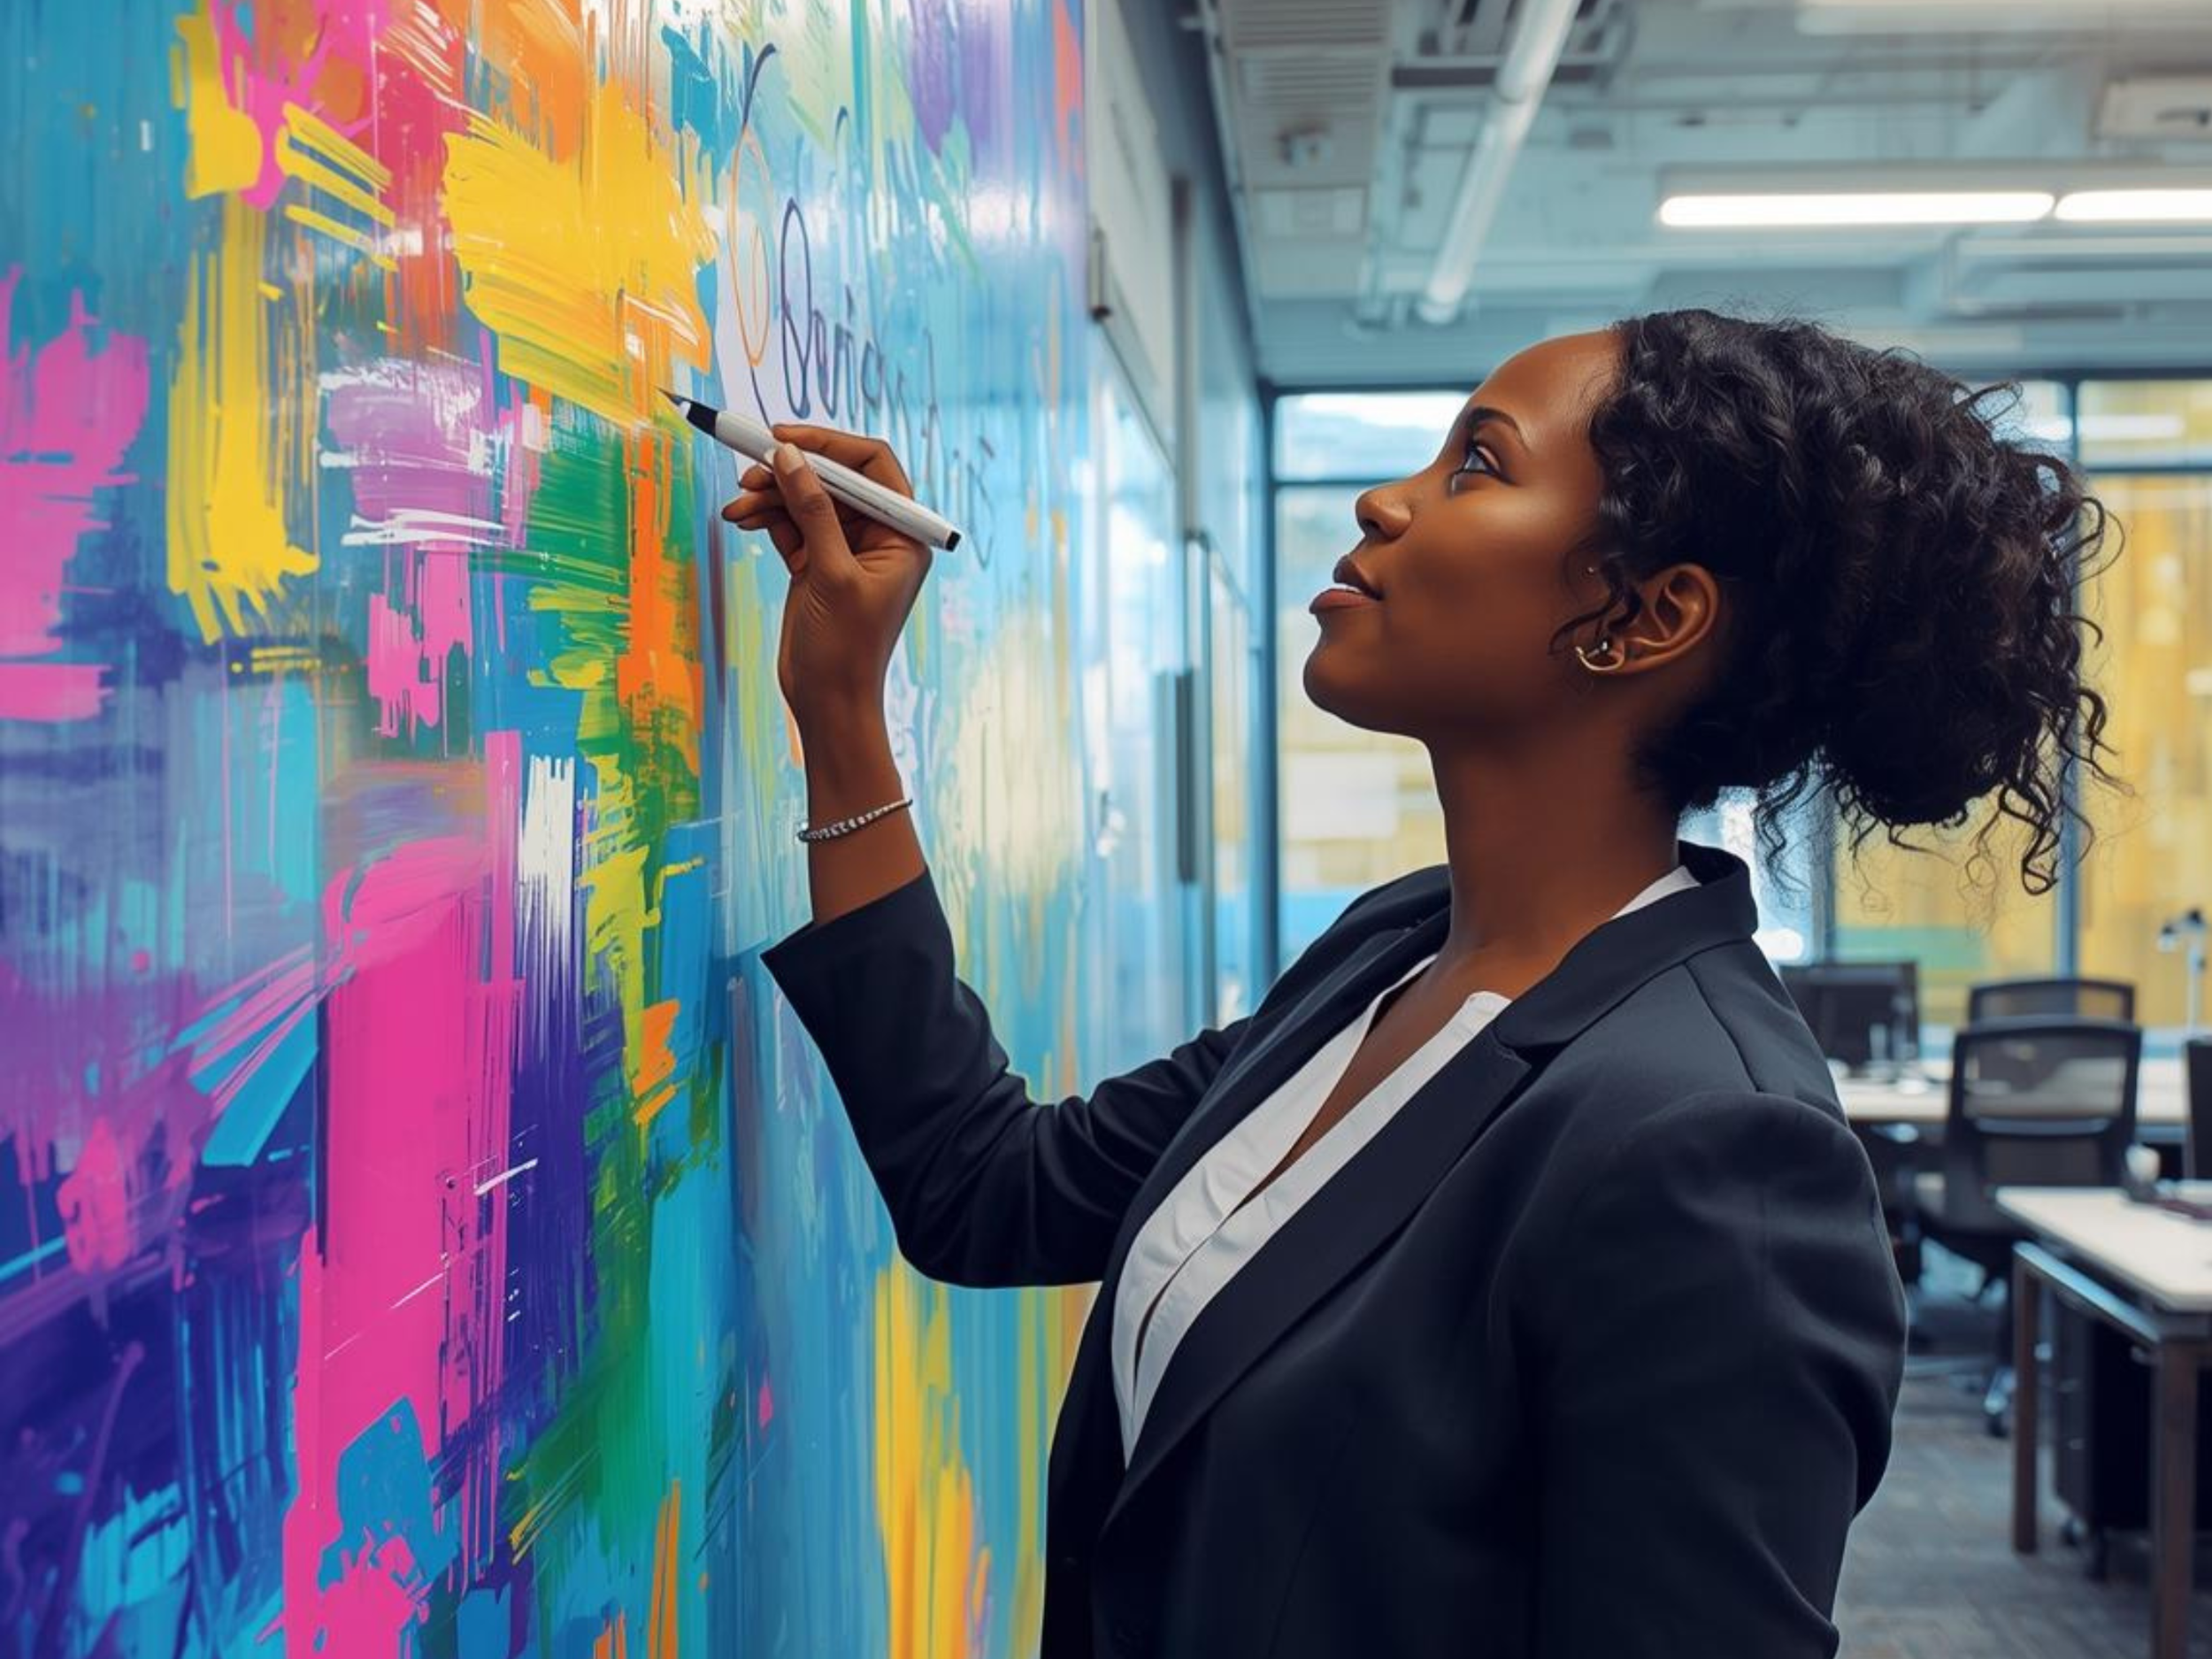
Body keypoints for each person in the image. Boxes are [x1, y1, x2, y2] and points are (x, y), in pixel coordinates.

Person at [729, 308, 2124, 1658]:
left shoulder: (1719, 1151)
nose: (1384, 502)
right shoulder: (1390, 958)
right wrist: (842, 708)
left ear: (1645, 616)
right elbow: (988, 1188)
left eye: (1479, 465)